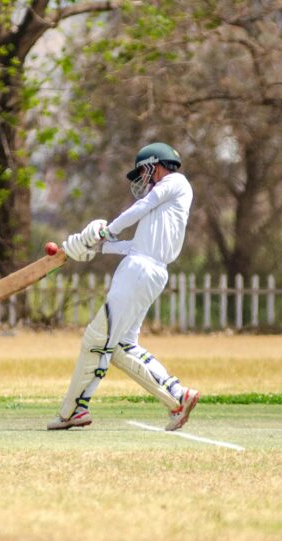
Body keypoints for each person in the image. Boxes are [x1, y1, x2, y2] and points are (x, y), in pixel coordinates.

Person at [47, 142, 200, 431]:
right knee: (120, 346)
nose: (143, 180)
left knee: (96, 340)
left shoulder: (174, 182)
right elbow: (137, 246)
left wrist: (107, 231)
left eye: (144, 172)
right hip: (146, 269)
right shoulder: (164, 211)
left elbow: (140, 208)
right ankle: (178, 396)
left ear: (155, 165)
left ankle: (74, 410)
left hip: (139, 272)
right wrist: (98, 248)